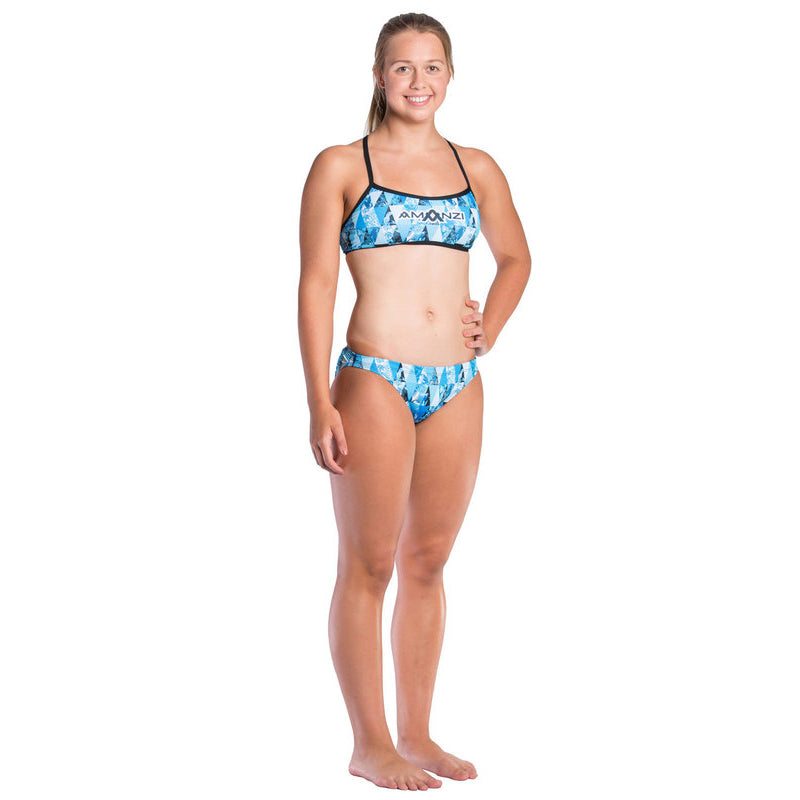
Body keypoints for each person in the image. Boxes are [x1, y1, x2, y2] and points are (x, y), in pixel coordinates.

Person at [298, 12, 531, 791]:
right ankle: (369, 744)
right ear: (378, 76)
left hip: (456, 385)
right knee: (367, 564)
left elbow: (516, 257)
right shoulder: (341, 165)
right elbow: (315, 286)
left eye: (432, 67)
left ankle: (418, 733)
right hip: (373, 378)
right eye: (403, 68)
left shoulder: (477, 167)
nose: (418, 82)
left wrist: (489, 328)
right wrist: (318, 402)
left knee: (427, 562)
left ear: (450, 77)